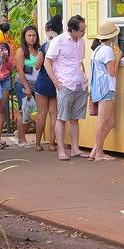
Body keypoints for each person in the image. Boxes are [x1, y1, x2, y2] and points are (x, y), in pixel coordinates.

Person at [45, 14, 88, 161]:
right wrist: (57, 83)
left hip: (79, 83)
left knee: (75, 119)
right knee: (62, 118)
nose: (84, 32)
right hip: (65, 83)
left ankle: (75, 148)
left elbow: (79, 61)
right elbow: (47, 62)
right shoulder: (59, 41)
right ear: (73, 30)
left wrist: (85, 78)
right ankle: (61, 150)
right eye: (82, 30)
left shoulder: (81, 42)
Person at [88, 20, 121, 161]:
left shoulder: (96, 50)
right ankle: (99, 153)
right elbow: (112, 72)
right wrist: (118, 57)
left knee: (111, 121)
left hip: (97, 88)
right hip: (107, 88)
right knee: (102, 122)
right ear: (112, 36)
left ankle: (95, 150)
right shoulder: (107, 51)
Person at [33, 16, 61, 151]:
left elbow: (37, 66)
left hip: (44, 81)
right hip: (57, 82)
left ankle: (38, 144)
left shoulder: (44, 46)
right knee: (54, 114)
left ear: (49, 30)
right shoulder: (63, 44)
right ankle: (52, 144)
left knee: (42, 114)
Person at [13, 24, 42, 148]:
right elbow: (20, 71)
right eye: (29, 35)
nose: (32, 38)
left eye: (34, 35)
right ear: (24, 37)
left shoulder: (40, 50)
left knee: (34, 112)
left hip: (37, 84)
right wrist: (26, 87)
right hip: (23, 83)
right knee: (23, 110)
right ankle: (22, 138)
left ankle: (24, 136)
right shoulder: (21, 51)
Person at [0, 27, 16, 149]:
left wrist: (6, 58)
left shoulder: (8, 47)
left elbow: (12, 68)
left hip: (5, 78)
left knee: (1, 109)